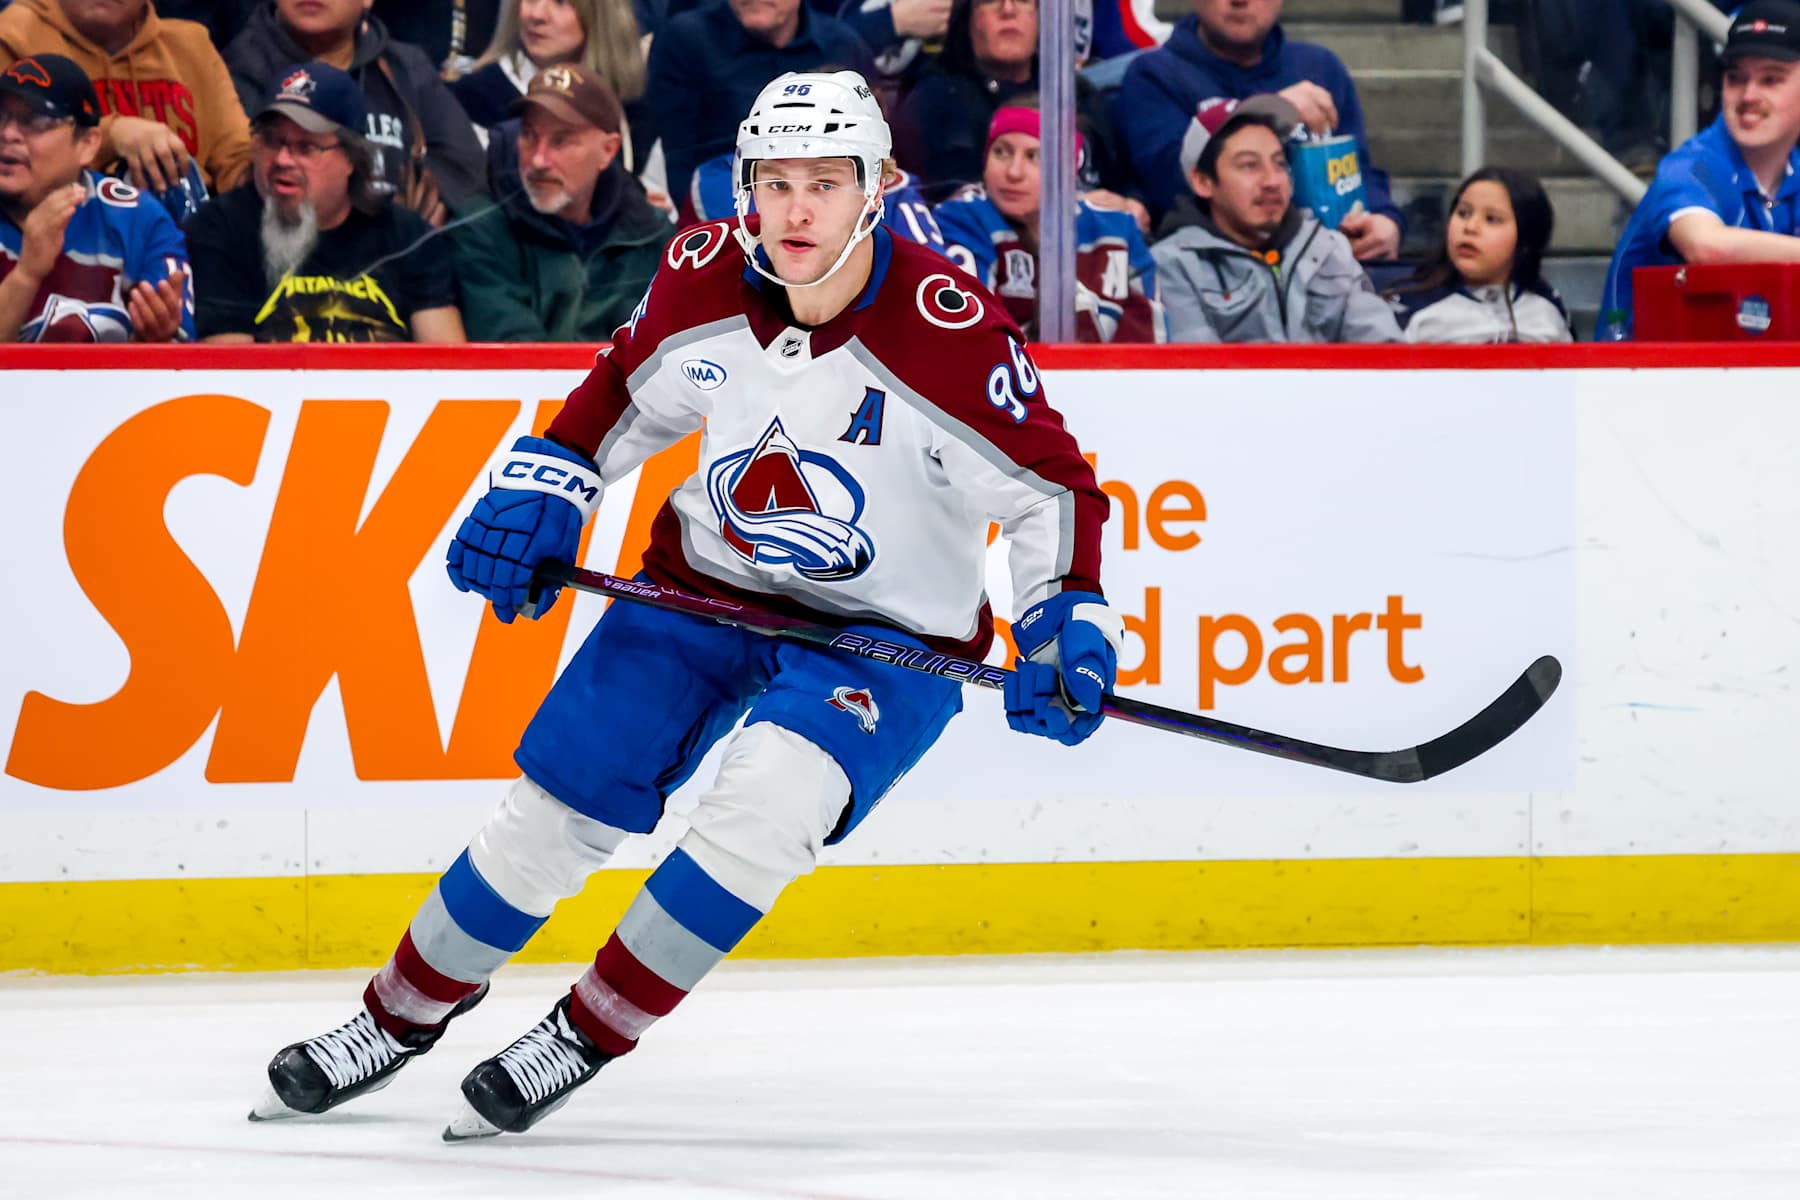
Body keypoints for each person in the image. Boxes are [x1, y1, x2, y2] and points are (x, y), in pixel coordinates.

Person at [248, 68, 1117, 1141]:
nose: (796, 210)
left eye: (826, 183)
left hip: (885, 635)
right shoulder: (703, 274)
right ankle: (394, 1018)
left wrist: (1065, 618)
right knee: (553, 811)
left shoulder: (949, 332)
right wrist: (555, 481)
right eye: (775, 182)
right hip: (706, 587)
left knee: (766, 809)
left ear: (877, 186)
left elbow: (1051, 494)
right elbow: (622, 389)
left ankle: (586, 1030)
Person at [184, 61, 465, 343]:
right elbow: (229, 361)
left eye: (306, 147)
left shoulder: (407, 236)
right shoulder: (219, 228)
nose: (282, 159)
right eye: (272, 140)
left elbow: (445, 359)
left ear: (352, 159)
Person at [1114, 0, 1403, 261]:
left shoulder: (1321, 68)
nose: (1239, 1)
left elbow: (1357, 170)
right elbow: (1172, 184)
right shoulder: (1154, 75)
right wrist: (1272, 109)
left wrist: (1385, 218)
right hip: (1209, 267)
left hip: (1326, 262)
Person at [1598, 0, 1800, 341]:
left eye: (1771, 79)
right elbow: (1707, 246)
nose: (1748, 95)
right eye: (1735, 78)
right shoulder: (1696, 166)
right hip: (1639, 370)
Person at [1151, 94, 1399, 343]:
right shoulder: (1172, 266)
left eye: (1279, 163)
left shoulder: (1328, 249)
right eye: (1249, 165)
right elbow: (1196, 365)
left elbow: (1386, 352)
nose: (1272, 181)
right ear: (1203, 182)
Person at [452, 64, 672, 340]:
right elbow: (514, 351)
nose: (538, 161)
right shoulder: (482, 228)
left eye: (560, 141)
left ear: (608, 150)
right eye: (528, 136)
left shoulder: (651, 235)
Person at [224, 0, 487, 224]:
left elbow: (466, 169)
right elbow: (236, 182)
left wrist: (419, 214)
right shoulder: (233, 72)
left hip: (401, 256)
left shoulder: (406, 68)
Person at [0, 53, 191, 341]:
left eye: (35, 121)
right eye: (1, 116)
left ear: (87, 144)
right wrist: (27, 273)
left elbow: (184, 358)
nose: (8, 133)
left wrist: (155, 342)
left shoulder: (137, 218)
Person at [935, 100, 1163, 341]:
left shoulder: (1116, 230)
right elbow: (970, 336)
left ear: (1069, 171)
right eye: (1001, 152)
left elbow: (1152, 344)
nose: (1014, 172)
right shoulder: (962, 218)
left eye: (1034, 157)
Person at [0, 0, 253, 202]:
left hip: (186, 233)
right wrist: (111, 135)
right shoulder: (13, 35)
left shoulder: (192, 45)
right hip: (57, 228)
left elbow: (237, 157)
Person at [641, 0, 874, 204]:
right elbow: (678, 158)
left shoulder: (843, 45)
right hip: (723, 204)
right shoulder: (685, 39)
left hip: (830, 203)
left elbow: (872, 150)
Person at [892, 0, 1125, 202]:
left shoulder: (1075, 90)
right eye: (990, 1)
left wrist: (1132, 205)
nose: (1008, 10)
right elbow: (953, 196)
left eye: (1023, 0)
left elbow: (1123, 179)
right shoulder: (937, 97)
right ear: (967, 19)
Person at [450, 0, 648, 167]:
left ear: (600, 14)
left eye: (560, 2)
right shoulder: (473, 98)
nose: (536, 15)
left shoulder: (627, 105)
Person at [1387, 167, 1571, 344]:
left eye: (1491, 219)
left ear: (1526, 240)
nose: (1470, 227)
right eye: (1463, 213)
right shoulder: (1411, 305)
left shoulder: (1548, 309)